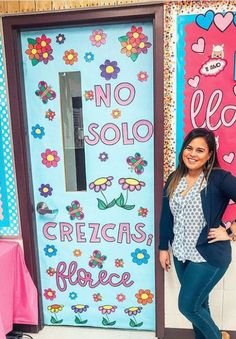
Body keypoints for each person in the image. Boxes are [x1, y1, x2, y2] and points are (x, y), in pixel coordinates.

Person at [158, 128, 236, 339]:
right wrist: (163, 248)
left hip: (209, 255)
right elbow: (166, 216)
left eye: (200, 150)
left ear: (209, 154)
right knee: (199, 304)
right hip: (182, 254)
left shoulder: (219, 178)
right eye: (189, 148)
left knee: (188, 306)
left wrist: (230, 232)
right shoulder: (175, 177)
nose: (192, 154)